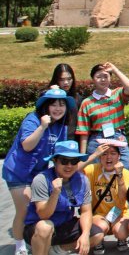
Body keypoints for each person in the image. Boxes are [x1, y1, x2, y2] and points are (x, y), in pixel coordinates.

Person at [2, 88, 75, 255]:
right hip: (18, 172)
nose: (58, 108)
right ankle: (20, 246)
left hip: (38, 172)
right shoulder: (33, 119)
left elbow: (60, 153)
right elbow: (27, 145)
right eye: (54, 104)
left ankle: (36, 240)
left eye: (62, 105)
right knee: (25, 209)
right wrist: (42, 126)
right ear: (46, 106)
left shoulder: (62, 126)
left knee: (38, 207)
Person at [23, 141, 104, 255]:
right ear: (55, 161)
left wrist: (85, 235)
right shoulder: (41, 179)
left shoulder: (82, 179)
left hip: (63, 223)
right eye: (64, 161)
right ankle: (36, 248)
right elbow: (43, 215)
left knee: (97, 234)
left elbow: (86, 211)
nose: (69, 166)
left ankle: (56, 250)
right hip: (38, 226)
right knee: (45, 227)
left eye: (74, 161)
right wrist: (55, 193)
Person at [76, 62, 129, 171]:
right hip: (97, 140)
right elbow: (83, 131)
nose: (102, 80)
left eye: (106, 76)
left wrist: (115, 70)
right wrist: (82, 157)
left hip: (117, 136)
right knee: (93, 172)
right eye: (98, 77)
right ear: (93, 79)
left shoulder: (117, 94)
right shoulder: (87, 102)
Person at [79, 139, 129, 254]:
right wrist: (94, 155)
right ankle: (98, 240)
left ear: (119, 156)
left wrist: (119, 175)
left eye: (113, 153)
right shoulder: (92, 169)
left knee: (121, 231)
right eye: (104, 154)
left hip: (119, 212)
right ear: (100, 156)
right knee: (101, 227)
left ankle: (121, 238)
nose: (108, 157)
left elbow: (124, 198)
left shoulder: (126, 173)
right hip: (99, 214)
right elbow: (74, 170)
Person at [48, 63, 82, 141]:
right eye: (62, 79)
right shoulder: (47, 95)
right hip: (52, 139)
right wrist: (51, 94)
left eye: (69, 79)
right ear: (56, 80)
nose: (66, 82)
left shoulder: (77, 98)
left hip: (72, 142)